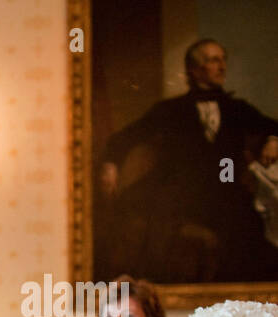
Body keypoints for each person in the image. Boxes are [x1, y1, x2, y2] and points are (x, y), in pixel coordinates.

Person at [98, 39, 278, 282]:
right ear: (193, 70)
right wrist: (110, 164)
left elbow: (271, 125)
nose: (222, 66)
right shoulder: (171, 110)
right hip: (180, 195)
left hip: (226, 190)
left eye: (223, 59)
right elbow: (126, 137)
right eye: (213, 60)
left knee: (251, 234)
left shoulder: (236, 108)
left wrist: (273, 139)